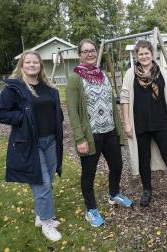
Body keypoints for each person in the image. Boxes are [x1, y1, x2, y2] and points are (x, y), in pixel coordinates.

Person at [0, 50, 64, 242]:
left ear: (40, 65)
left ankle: (41, 215)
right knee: (42, 183)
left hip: (50, 140)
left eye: (36, 62)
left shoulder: (49, 88)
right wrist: (22, 117)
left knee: (48, 179)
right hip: (30, 143)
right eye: (28, 62)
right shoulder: (14, 89)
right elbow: (0, 113)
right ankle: (47, 222)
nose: (32, 65)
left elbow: (56, 111)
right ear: (22, 66)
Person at [65, 39, 132, 228]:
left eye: (92, 51)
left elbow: (111, 104)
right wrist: (80, 138)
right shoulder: (75, 79)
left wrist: (118, 129)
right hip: (90, 135)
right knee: (89, 173)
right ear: (79, 54)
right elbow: (72, 111)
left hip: (109, 131)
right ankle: (90, 209)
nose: (90, 54)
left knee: (117, 165)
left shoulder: (102, 74)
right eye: (85, 51)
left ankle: (114, 194)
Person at [120, 40, 167, 213]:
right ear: (137, 56)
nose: (144, 56)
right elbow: (125, 99)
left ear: (152, 54)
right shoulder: (131, 74)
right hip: (140, 123)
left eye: (146, 53)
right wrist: (127, 124)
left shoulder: (162, 72)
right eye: (140, 54)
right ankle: (147, 190)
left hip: (161, 122)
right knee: (144, 159)